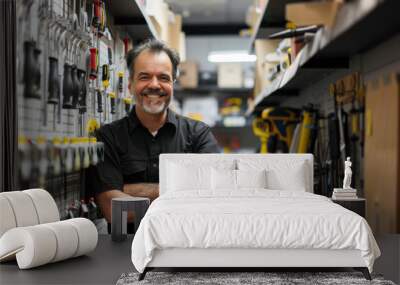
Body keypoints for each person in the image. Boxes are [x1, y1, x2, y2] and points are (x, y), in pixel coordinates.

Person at [94, 39, 219, 223]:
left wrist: (128, 190)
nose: (154, 85)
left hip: (185, 246)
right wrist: (183, 191)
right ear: (130, 85)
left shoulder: (199, 134)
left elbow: (213, 198)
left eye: (163, 77)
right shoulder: (108, 137)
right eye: (144, 77)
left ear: (173, 84)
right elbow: (114, 210)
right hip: (126, 249)